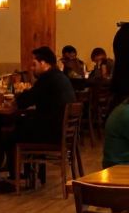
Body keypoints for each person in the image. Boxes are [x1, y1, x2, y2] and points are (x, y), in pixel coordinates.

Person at [6, 46, 76, 180]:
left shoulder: (47, 78)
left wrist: (15, 99)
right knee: (21, 124)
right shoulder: (60, 76)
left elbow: (24, 101)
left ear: (43, 63)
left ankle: (13, 176)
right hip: (63, 132)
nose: (32, 68)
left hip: (51, 134)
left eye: (34, 64)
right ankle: (26, 174)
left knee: (9, 134)